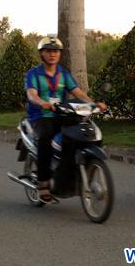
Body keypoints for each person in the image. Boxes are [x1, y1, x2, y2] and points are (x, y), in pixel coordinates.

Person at [25, 36, 106, 202]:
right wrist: (42, 102)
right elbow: (31, 94)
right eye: (48, 51)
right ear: (41, 54)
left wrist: (93, 104)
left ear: (60, 54)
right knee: (45, 137)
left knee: (78, 133)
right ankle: (43, 182)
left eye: (55, 51)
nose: (52, 54)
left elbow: (77, 92)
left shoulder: (63, 74)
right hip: (41, 116)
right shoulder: (34, 74)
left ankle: (67, 174)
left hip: (62, 114)